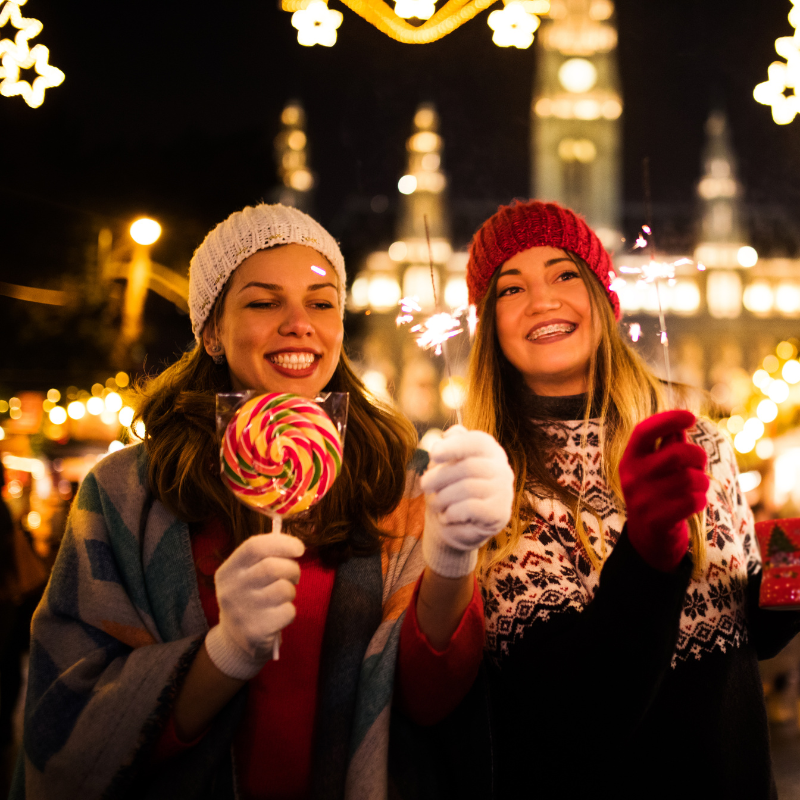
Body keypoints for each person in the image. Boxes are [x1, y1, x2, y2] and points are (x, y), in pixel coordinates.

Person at [13, 203, 514, 799]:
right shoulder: (125, 495)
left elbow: (429, 701)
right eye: (263, 301)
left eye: (322, 302)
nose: (299, 323)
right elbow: (64, 734)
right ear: (211, 332)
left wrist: (454, 559)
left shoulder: (398, 487)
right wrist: (223, 654)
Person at [462, 199, 800, 799]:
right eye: (511, 289)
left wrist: (793, 559)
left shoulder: (694, 428)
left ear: (603, 294)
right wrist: (648, 552)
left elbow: (739, 620)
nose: (543, 300)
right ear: (488, 325)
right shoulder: (486, 477)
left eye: (566, 274)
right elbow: (577, 717)